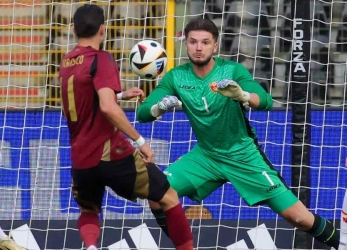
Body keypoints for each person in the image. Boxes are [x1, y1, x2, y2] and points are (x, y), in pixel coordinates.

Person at [137, 18, 340, 248]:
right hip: (206, 156)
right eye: (193, 42)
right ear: (186, 44)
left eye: (205, 42)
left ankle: (342, 242)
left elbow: (265, 101)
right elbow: (143, 113)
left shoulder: (231, 70)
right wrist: (159, 107)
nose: (198, 47)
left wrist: (243, 95)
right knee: (155, 193)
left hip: (242, 155)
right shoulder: (176, 77)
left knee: (299, 218)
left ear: (215, 46)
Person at [58, 4, 193, 250]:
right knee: (169, 197)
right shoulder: (101, 58)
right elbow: (107, 108)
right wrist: (140, 141)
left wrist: (120, 95)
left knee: (89, 209)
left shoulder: (67, 62)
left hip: (80, 156)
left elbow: (86, 100)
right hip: (111, 153)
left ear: (74, 29)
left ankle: (90, 247)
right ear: (102, 29)